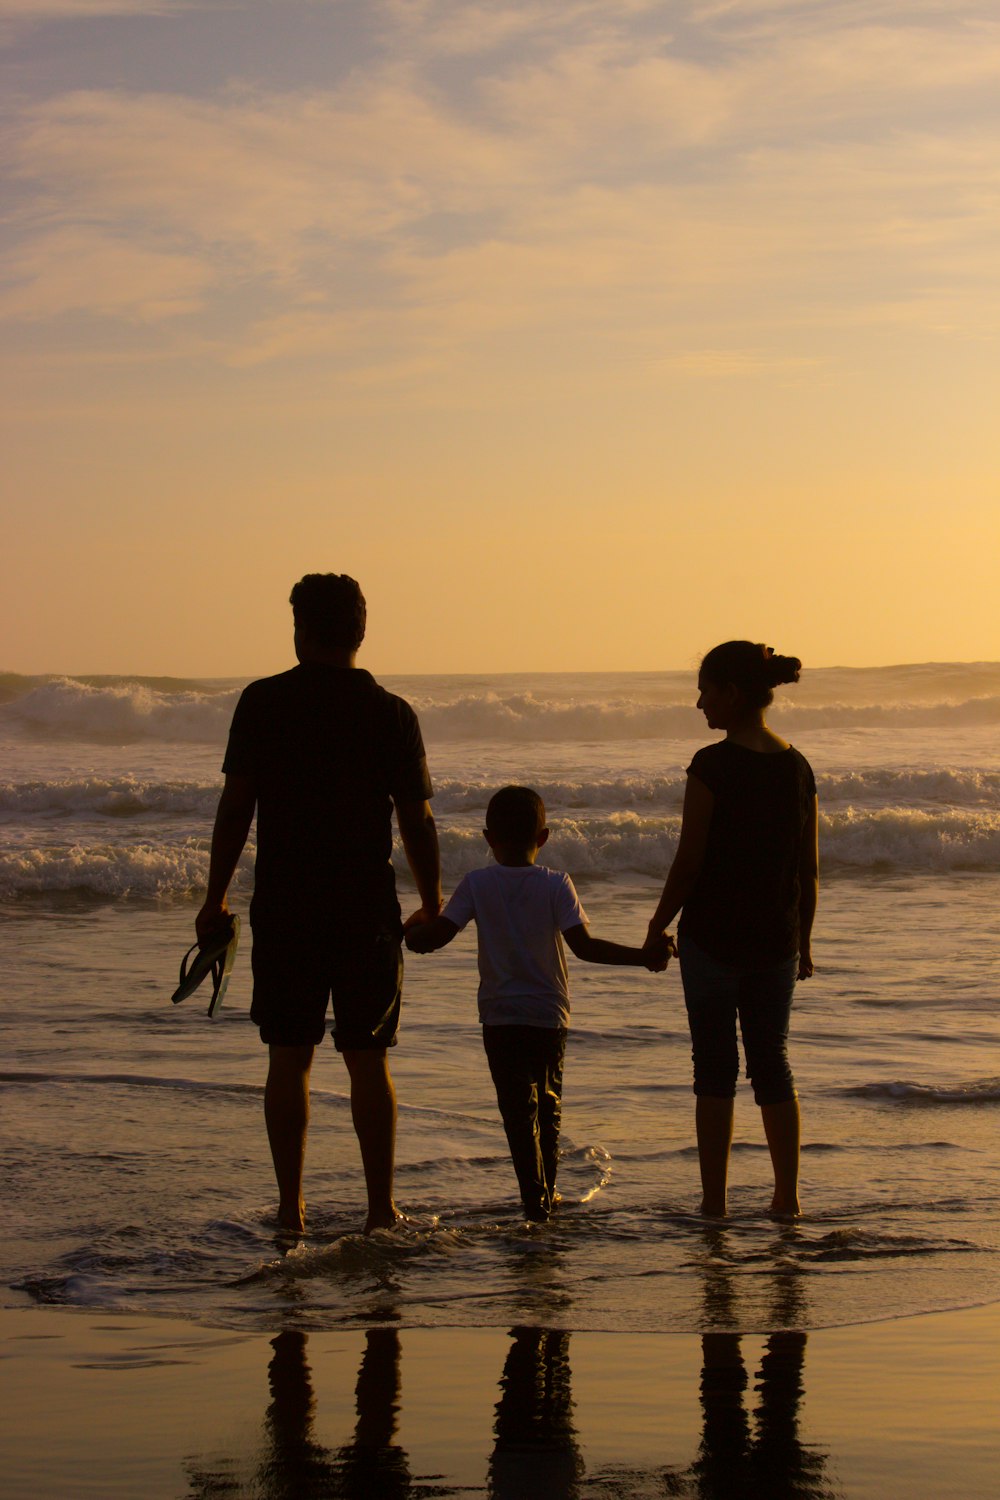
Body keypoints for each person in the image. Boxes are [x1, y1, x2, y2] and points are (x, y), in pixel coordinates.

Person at [195, 573, 442, 1235]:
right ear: (360, 631)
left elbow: (236, 807)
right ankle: (380, 1209)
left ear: (300, 630)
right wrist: (432, 902)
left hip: (286, 903)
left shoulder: (264, 703)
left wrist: (214, 897)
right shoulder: (390, 712)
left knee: (289, 1055)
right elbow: (417, 822)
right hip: (366, 908)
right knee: (368, 1058)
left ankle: (290, 1208)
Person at [406, 785, 673, 1222]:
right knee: (549, 1108)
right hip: (550, 1016)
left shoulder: (476, 883)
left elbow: (432, 940)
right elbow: (585, 948)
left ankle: (535, 1203)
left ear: (488, 838)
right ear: (544, 837)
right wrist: (643, 957)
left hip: (500, 1016)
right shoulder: (555, 883)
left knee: (517, 1112)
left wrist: (406, 929)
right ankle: (546, 1196)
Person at [644, 642, 818, 1219]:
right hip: (776, 940)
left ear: (732, 694)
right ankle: (786, 1197)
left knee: (713, 1068)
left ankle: (714, 1203)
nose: (699, 703)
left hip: (713, 940)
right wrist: (807, 940)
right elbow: (807, 867)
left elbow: (689, 860)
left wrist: (656, 924)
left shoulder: (711, 764)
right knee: (772, 1060)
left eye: (706, 691)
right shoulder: (797, 766)